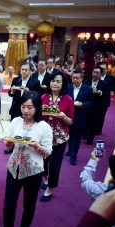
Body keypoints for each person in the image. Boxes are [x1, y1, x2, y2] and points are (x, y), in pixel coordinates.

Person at [3, 91, 53, 227]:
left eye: (30, 107)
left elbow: (48, 152)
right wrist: (8, 143)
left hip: (33, 171)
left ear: (37, 108)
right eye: (23, 106)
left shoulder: (44, 127)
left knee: (29, 205)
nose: (26, 110)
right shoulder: (15, 121)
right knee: (9, 205)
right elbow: (9, 144)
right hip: (14, 168)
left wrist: (37, 146)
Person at [40, 71, 74, 202]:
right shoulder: (43, 97)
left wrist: (63, 116)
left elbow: (70, 121)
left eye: (58, 81)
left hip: (60, 137)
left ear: (63, 84)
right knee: (42, 160)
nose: (55, 83)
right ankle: (44, 177)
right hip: (43, 136)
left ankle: (50, 188)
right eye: (53, 81)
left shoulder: (68, 100)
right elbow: (37, 116)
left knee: (55, 164)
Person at [67, 70, 94, 165]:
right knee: (69, 135)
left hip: (80, 116)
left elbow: (91, 103)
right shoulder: (68, 88)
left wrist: (82, 104)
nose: (75, 80)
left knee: (77, 137)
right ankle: (70, 150)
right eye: (73, 78)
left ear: (82, 78)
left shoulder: (88, 89)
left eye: (77, 78)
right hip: (68, 117)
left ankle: (73, 156)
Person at [84, 68, 108, 144]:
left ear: (100, 74)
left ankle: (90, 139)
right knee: (85, 121)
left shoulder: (104, 83)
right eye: (94, 72)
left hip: (97, 106)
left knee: (93, 123)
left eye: (97, 73)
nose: (95, 74)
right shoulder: (86, 81)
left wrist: (100, 93)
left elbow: (106, 95)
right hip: (86, 105)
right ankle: (84, 135)